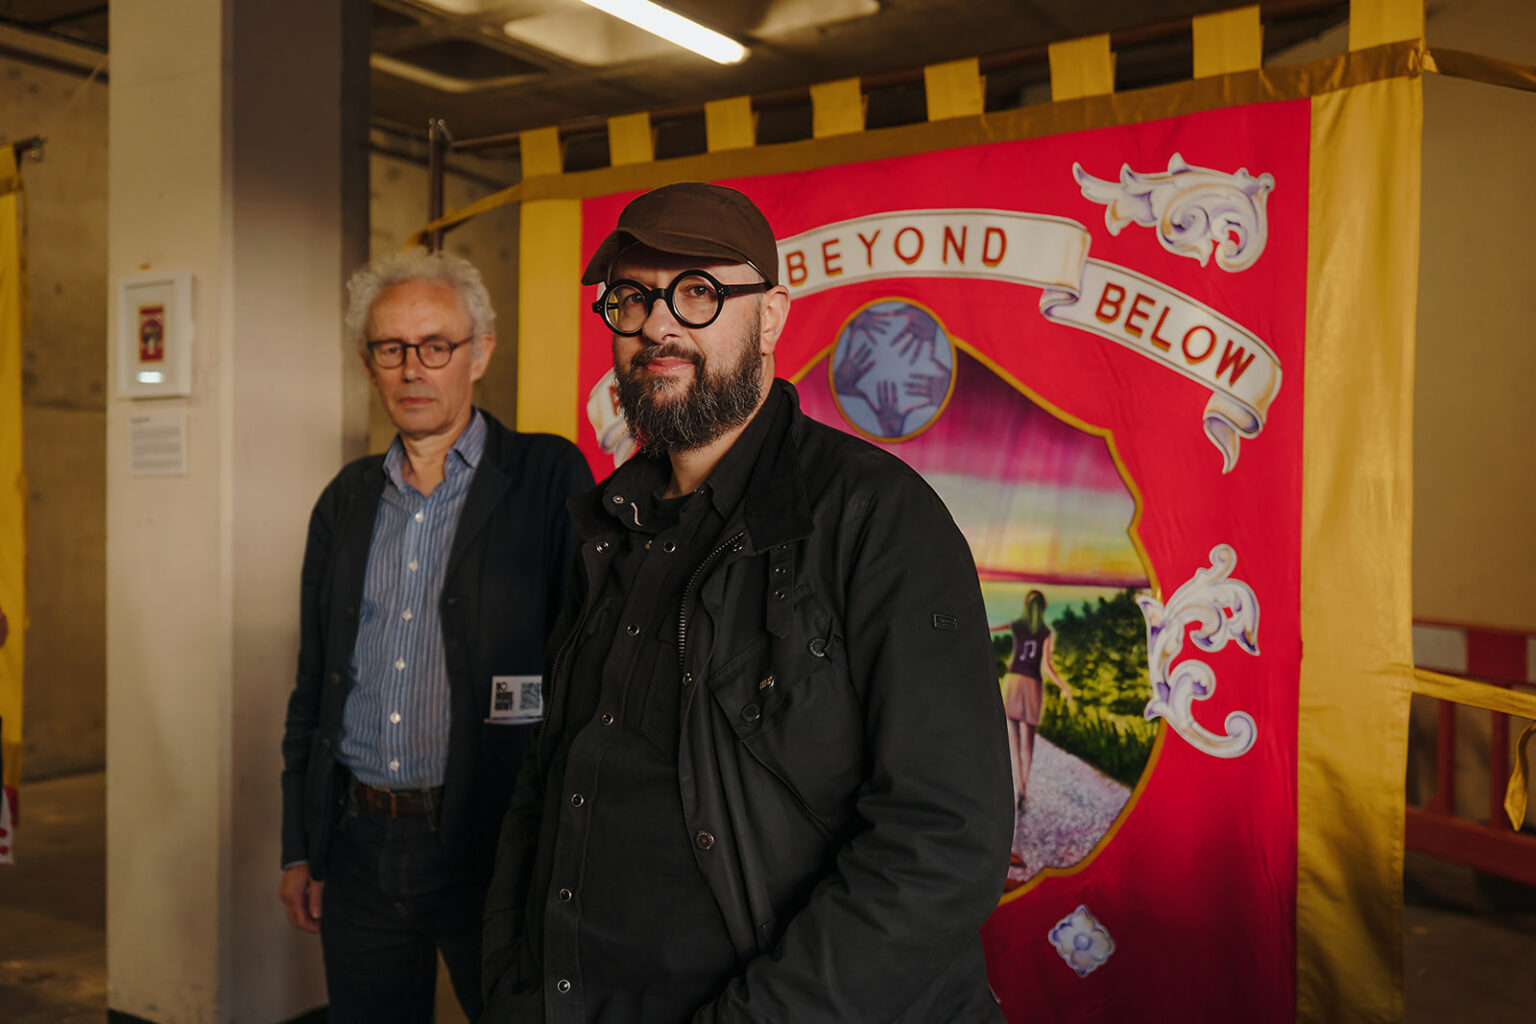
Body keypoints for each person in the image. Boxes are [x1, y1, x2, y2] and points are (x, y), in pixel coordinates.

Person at [481, 182, 1014, 1023]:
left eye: (697, 292)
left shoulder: (877, 518)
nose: (658, 325)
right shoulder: (607, 525)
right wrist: (508, 982)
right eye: (632, 297)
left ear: (769, 318)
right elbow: (553, 777)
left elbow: (943, 841)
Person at [279, 249, 594, 1023]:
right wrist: (300, 844)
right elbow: (314, 683)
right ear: (369, 363)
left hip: (495, 841)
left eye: (435, 346)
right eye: (392, 348)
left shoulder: (547, 477)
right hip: (358, 844)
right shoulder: (346, 500)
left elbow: (590, 670)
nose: (413, 368)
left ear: (479, 353)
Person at [990, 590, 1074, 812]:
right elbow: (1047, 665)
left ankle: (1017, 785)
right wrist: (1064, 687)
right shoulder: (1047, 633)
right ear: (1044, 607)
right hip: (1033, 684)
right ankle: (1024, 788)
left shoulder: (1017, 625)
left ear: (1026, 606)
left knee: (1014, 741)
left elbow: (989, 629)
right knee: (1029, 744)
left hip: (1014, 681)